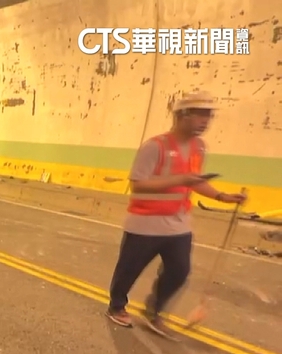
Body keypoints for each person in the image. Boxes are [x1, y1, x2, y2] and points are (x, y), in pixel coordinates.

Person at [105, 91, 247, 337]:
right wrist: (179, 180)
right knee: (129, 270)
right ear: (181, 115)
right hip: (144, 224)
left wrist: (222, 196)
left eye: (209, 116)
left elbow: (194, 181)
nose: (205, 121)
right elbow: (138, 184)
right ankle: (116, 306)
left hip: (178, 226)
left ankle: (154, 311)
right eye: (200, 115)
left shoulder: (199, 147)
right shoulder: (155, 147)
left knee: (179, 271)